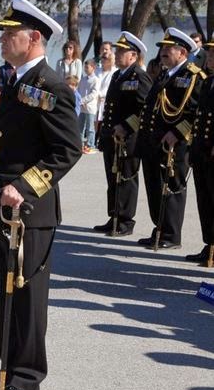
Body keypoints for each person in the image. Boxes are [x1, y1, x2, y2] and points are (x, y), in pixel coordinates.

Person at [0, 0, 81, 390]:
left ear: (33, 38)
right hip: (3, 208)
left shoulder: (51, 85)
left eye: (9, 34)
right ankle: (8, 367)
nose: (1, 40)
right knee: (6, 292)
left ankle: (28, 377)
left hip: (29, 212)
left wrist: (25, 185)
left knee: (28, 296)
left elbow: (66, 150)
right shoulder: (18, 81)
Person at [137, 28, 205, 249]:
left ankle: (172, 235)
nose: (164, 52)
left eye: (169, 48)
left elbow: (194, 111)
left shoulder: (192, 76)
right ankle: (160, 228)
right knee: (155, 186)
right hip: (155, 141)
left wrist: (175, 133)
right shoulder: (166, 74)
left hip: (174, 144)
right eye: (163, 48)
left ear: (182, 52)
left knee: (172, 187)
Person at [92, 32, 152, 237]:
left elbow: (145, 109)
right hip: (112, 137)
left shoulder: (139, 76)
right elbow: (109, 108)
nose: (117, 55)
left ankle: (126, 221)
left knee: (126, 178)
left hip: (128, 138)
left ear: (133, 56)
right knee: (113, 178)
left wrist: (125, 127)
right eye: (116, 51)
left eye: (121, 52)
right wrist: (103, 133)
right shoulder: (118, 75)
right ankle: (114, 216)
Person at [188, 39, 214, 263]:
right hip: (202, 152)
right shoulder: (208, 82)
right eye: (209, 54)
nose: (210, 58)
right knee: (205, 202)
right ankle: (210, 245)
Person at [76, 59, 100, 153]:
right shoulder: (82, 79)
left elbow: (94, 94)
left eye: (87, 67)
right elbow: (79, 91)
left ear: (93, 68)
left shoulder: (96, 80)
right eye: (84, 67)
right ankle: (80, 145)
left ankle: (90, 145)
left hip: (90, 108)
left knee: (90, 128)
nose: (85, 69)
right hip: (82, 107)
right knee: (80, 126)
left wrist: (83, 100)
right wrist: (79, 101)